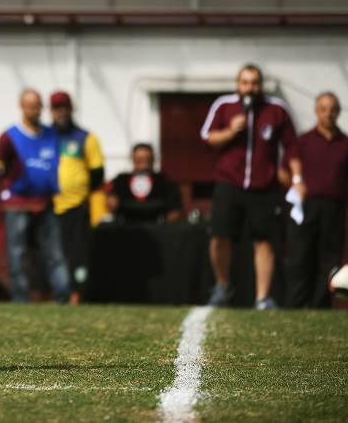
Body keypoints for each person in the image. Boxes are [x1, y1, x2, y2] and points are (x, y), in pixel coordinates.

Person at [200, 64, 296, 310]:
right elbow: (207, 138)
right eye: (244, 82)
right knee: (219, 237)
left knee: (264, 241)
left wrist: (295, 178)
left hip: (264, 186)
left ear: (260, 85)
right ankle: (222, 287)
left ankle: (262, 297)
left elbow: (292, 147)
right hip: (229, 183)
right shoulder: (224, 105)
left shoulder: (276, 109)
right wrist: (230, 131)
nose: (249, 87)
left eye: (254, 82)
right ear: (237, 84)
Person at [0, 89, 68, 303]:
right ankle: (21, 300)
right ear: (22, 106)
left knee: (54, 254)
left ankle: (62, 298)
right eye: (30, 105)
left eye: (38, 105)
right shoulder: (9, 136)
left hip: (45, 202)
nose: (35, 110)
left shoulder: (51, 134)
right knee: (17, 255)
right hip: (17, 205)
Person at [286, 92, 348, 308]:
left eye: (332, 109)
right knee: (301, 257)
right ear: (316, 111)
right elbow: (285, 171)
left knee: (329, 259)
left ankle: (320, 305)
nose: (328, 114)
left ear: (338, 112)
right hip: (306, 207)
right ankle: (296, 305)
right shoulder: (303, 142)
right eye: (323, 109)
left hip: (335, 209)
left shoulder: (345, 144)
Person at [50, 90, 104, 305]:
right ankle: (56, 293)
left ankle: (77, 294)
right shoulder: (45, 136)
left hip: (76, 207)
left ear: (71, 109)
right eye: (56, 108)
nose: (61, 112)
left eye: (64, 107)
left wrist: (79, 192)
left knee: (77, 254)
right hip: (49, 206)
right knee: (52, 254)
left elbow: (97, 173)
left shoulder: (85, 138)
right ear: (51, 111)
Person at [106, 143, 183, 224]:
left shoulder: (164, 182)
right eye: (139, 160)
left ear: (153, 160)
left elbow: (175, 211)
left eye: (147, 160)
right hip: (126, 228)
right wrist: (111, 201)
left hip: (157, 228)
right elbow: (110, 203)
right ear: (133, 159)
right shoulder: (121, 180)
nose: (144, 166)